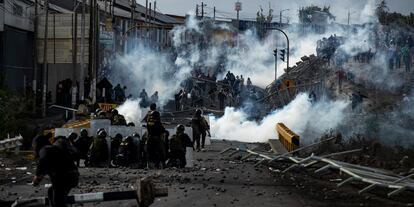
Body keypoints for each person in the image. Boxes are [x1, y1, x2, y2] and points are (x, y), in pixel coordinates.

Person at [32, 135, 79, 207]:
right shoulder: (53, 149)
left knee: (58, 202)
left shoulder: (45, 149)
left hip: (64, 178)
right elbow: (48, 166)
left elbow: (43, 161)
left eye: (34, 145)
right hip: (71, 176)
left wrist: (37, 176)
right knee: (51, 192)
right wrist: (39, 177)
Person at [143, 103, 166, 168]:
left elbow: (144, 120)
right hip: (156, 136)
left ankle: (148, 165)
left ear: (150, 107)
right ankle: (163, 164)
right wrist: (163, 130)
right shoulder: (156, 113)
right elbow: (158, 123)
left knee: (148, 150)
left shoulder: (148, 113)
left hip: (149, 135)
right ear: (155, 107)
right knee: (161, 149)